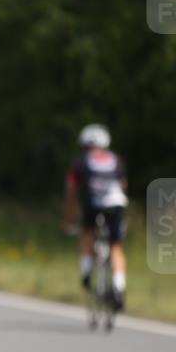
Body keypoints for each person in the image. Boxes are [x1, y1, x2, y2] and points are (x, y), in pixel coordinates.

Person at [63, 123, 129, 310]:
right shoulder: (116, 160)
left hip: (93, 203)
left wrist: (69, 219)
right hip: (116, 203)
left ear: (84, 145)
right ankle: (119, 286)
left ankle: (86, 272)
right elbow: (124, 184)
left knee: (87, 232)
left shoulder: (80, 162)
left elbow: (71, 189)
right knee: (115, 246)